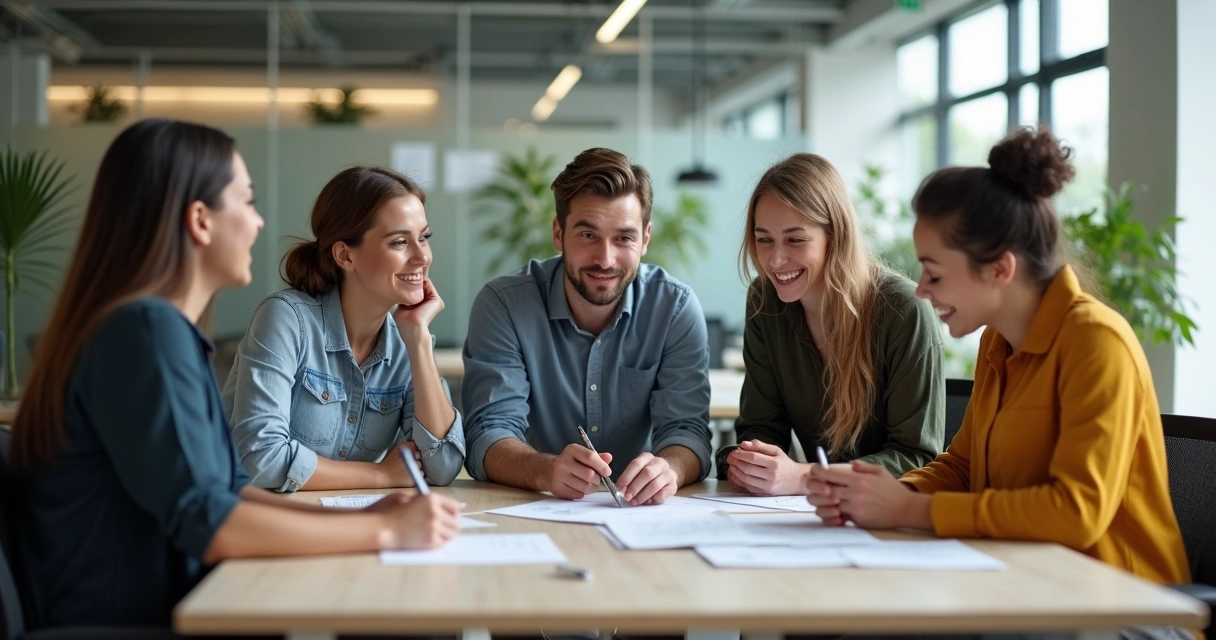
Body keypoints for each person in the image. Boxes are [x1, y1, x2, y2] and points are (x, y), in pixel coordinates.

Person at [9, 119, 460, 631]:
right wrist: (385, 532)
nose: (259, 223)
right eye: (246, 202)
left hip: (180, 604)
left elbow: (229, 491)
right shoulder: (146, 331)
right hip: (138, 620)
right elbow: (212, 520)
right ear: (200, 220)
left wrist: (370, 519)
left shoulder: (155, 330)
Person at [806, 128, 1191, 632]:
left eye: (935, 273)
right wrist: (873, 494)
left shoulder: (1097, 343)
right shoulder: (998, 341)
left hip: (1120, 605)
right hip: (1020, 585)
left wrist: (911, 510)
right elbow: (964, 467)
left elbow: (1076, 513)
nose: (921, 290)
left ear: (999, 269)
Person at [462, 147, 711, 506]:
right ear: (558, 234)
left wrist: (669, 469)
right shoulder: (505, 305)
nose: (605, 259)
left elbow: (688, 430)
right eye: (588, 235)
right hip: (532, 507)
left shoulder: (675, 308)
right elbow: (489, 432)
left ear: (645, 239)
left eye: (624, 238)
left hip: (640, 514)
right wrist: (544, 470)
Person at [223, 166, 464, 492]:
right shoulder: (285, 318)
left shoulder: (406, 338)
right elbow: (260, 459)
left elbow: (443, 466)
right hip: (261, 525)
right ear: (345, 256)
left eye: (423, 237)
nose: (422, 256)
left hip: (347, 522)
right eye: (399, 242)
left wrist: (419, 339)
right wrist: (382, 475)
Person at [716, 153, 944, 495]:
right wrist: (752, 462)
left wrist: (806, 477)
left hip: (892, 522)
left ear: (834, 235)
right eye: (764, 239)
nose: (776, 260)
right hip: (812, 518)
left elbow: (918, 459)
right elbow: (761, 427)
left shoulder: (903, 310)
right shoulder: (765, 301)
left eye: (795, 239)